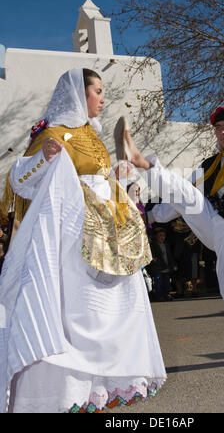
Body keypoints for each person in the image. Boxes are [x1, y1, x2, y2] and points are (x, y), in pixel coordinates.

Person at [0, 68, 166, 413]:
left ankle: (100, 391)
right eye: (98, 91)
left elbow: (99, 177)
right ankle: (61, 395)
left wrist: (116, 176)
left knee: (113, 312)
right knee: (75, 315)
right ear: (79, 93)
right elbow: (18, 179)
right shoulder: (54, 132)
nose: (103, 99)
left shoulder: (92, 135)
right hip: (73, 238)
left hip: (108, 234)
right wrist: (43, 157)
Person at [123, 106, 224, 369]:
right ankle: (145, 164)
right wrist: (152, 217)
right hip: (213, 224)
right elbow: (183, 198)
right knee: (188, 193)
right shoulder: (208, 165)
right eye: (218, 127)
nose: (222, 132)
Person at [149, 227, 175, 301]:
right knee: (158, 282)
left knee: (166, 282)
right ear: (156, 236)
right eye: (160, 235)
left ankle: (166, 294)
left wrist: (172, 264)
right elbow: (152, 254)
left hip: (166, 266)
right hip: (158, 266)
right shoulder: (153, 244)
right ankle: (159, 295)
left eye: (163, 235)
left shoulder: (166, 244)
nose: (162, 237)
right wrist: (153, 258)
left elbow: (169, 255)